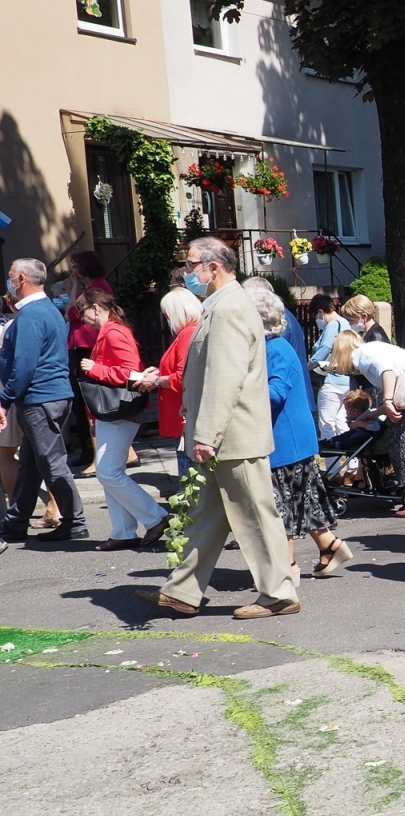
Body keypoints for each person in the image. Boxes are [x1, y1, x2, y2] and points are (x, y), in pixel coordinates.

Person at [135, 238, 298, 619]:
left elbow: (225, 376)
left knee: (256, 515)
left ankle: (279, 593)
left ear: (214, 267)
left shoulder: (228, 308)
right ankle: (183, 591)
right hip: (225, 433)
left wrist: (206, 433)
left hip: (233, 434)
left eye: (192, 265)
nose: (187, 272)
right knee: (204, 514)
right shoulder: (221, 304)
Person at [247, 282, 351, 580]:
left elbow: (276, 393)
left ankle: (287, 569)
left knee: (279, 506)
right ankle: (329, 546)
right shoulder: (272, 346)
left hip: (285, 440)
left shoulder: (273, 349)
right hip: (291, 439)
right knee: (300, 500)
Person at [0, 258, 88, 543]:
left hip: (40, 398)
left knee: (50, 462)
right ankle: (16, 522)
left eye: (12, 276)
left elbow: (24, 364)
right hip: (53, 395)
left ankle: (75, 521)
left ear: (22, 279)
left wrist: (4, 400)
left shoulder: (31, 316)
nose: (9, 280)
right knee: (32, 461)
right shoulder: (48, 309)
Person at [75, 288, 170, 551]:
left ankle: (156, 517)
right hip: (116, 411)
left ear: (95, 308)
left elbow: (132, 373)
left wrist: (97, 369)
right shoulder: (111, 330)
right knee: (109, 472)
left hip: (120, 411)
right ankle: (123, 531)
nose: (81, 320)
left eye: (82, 313)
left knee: (107, 472)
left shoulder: (114, 332)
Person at [327, 330, 405, 517]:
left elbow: (387, 371)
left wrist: (387, 401)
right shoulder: (372, 350)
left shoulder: (361, 354)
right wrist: (375, 414)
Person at [60, 251, 113, 468]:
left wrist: (73, 288)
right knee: (82, 400)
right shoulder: (92, 286)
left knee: (87, 398)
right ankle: (88, 449)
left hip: (88, 346)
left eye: (75, 267)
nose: (73, 272)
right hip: (80, 345)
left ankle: (92, 451)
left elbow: (71, 312)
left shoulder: (96, 288)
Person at [308, 294, 352, 438]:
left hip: (332, 381)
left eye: (315, 316)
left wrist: (308, 365)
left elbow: (324, 349)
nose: (316, 320)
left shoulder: (333, 324)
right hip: (347, 381)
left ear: (321, 312)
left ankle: (331, 459)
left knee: (326, 424)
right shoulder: (346, 323)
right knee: (342, 423)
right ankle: (350, 459)